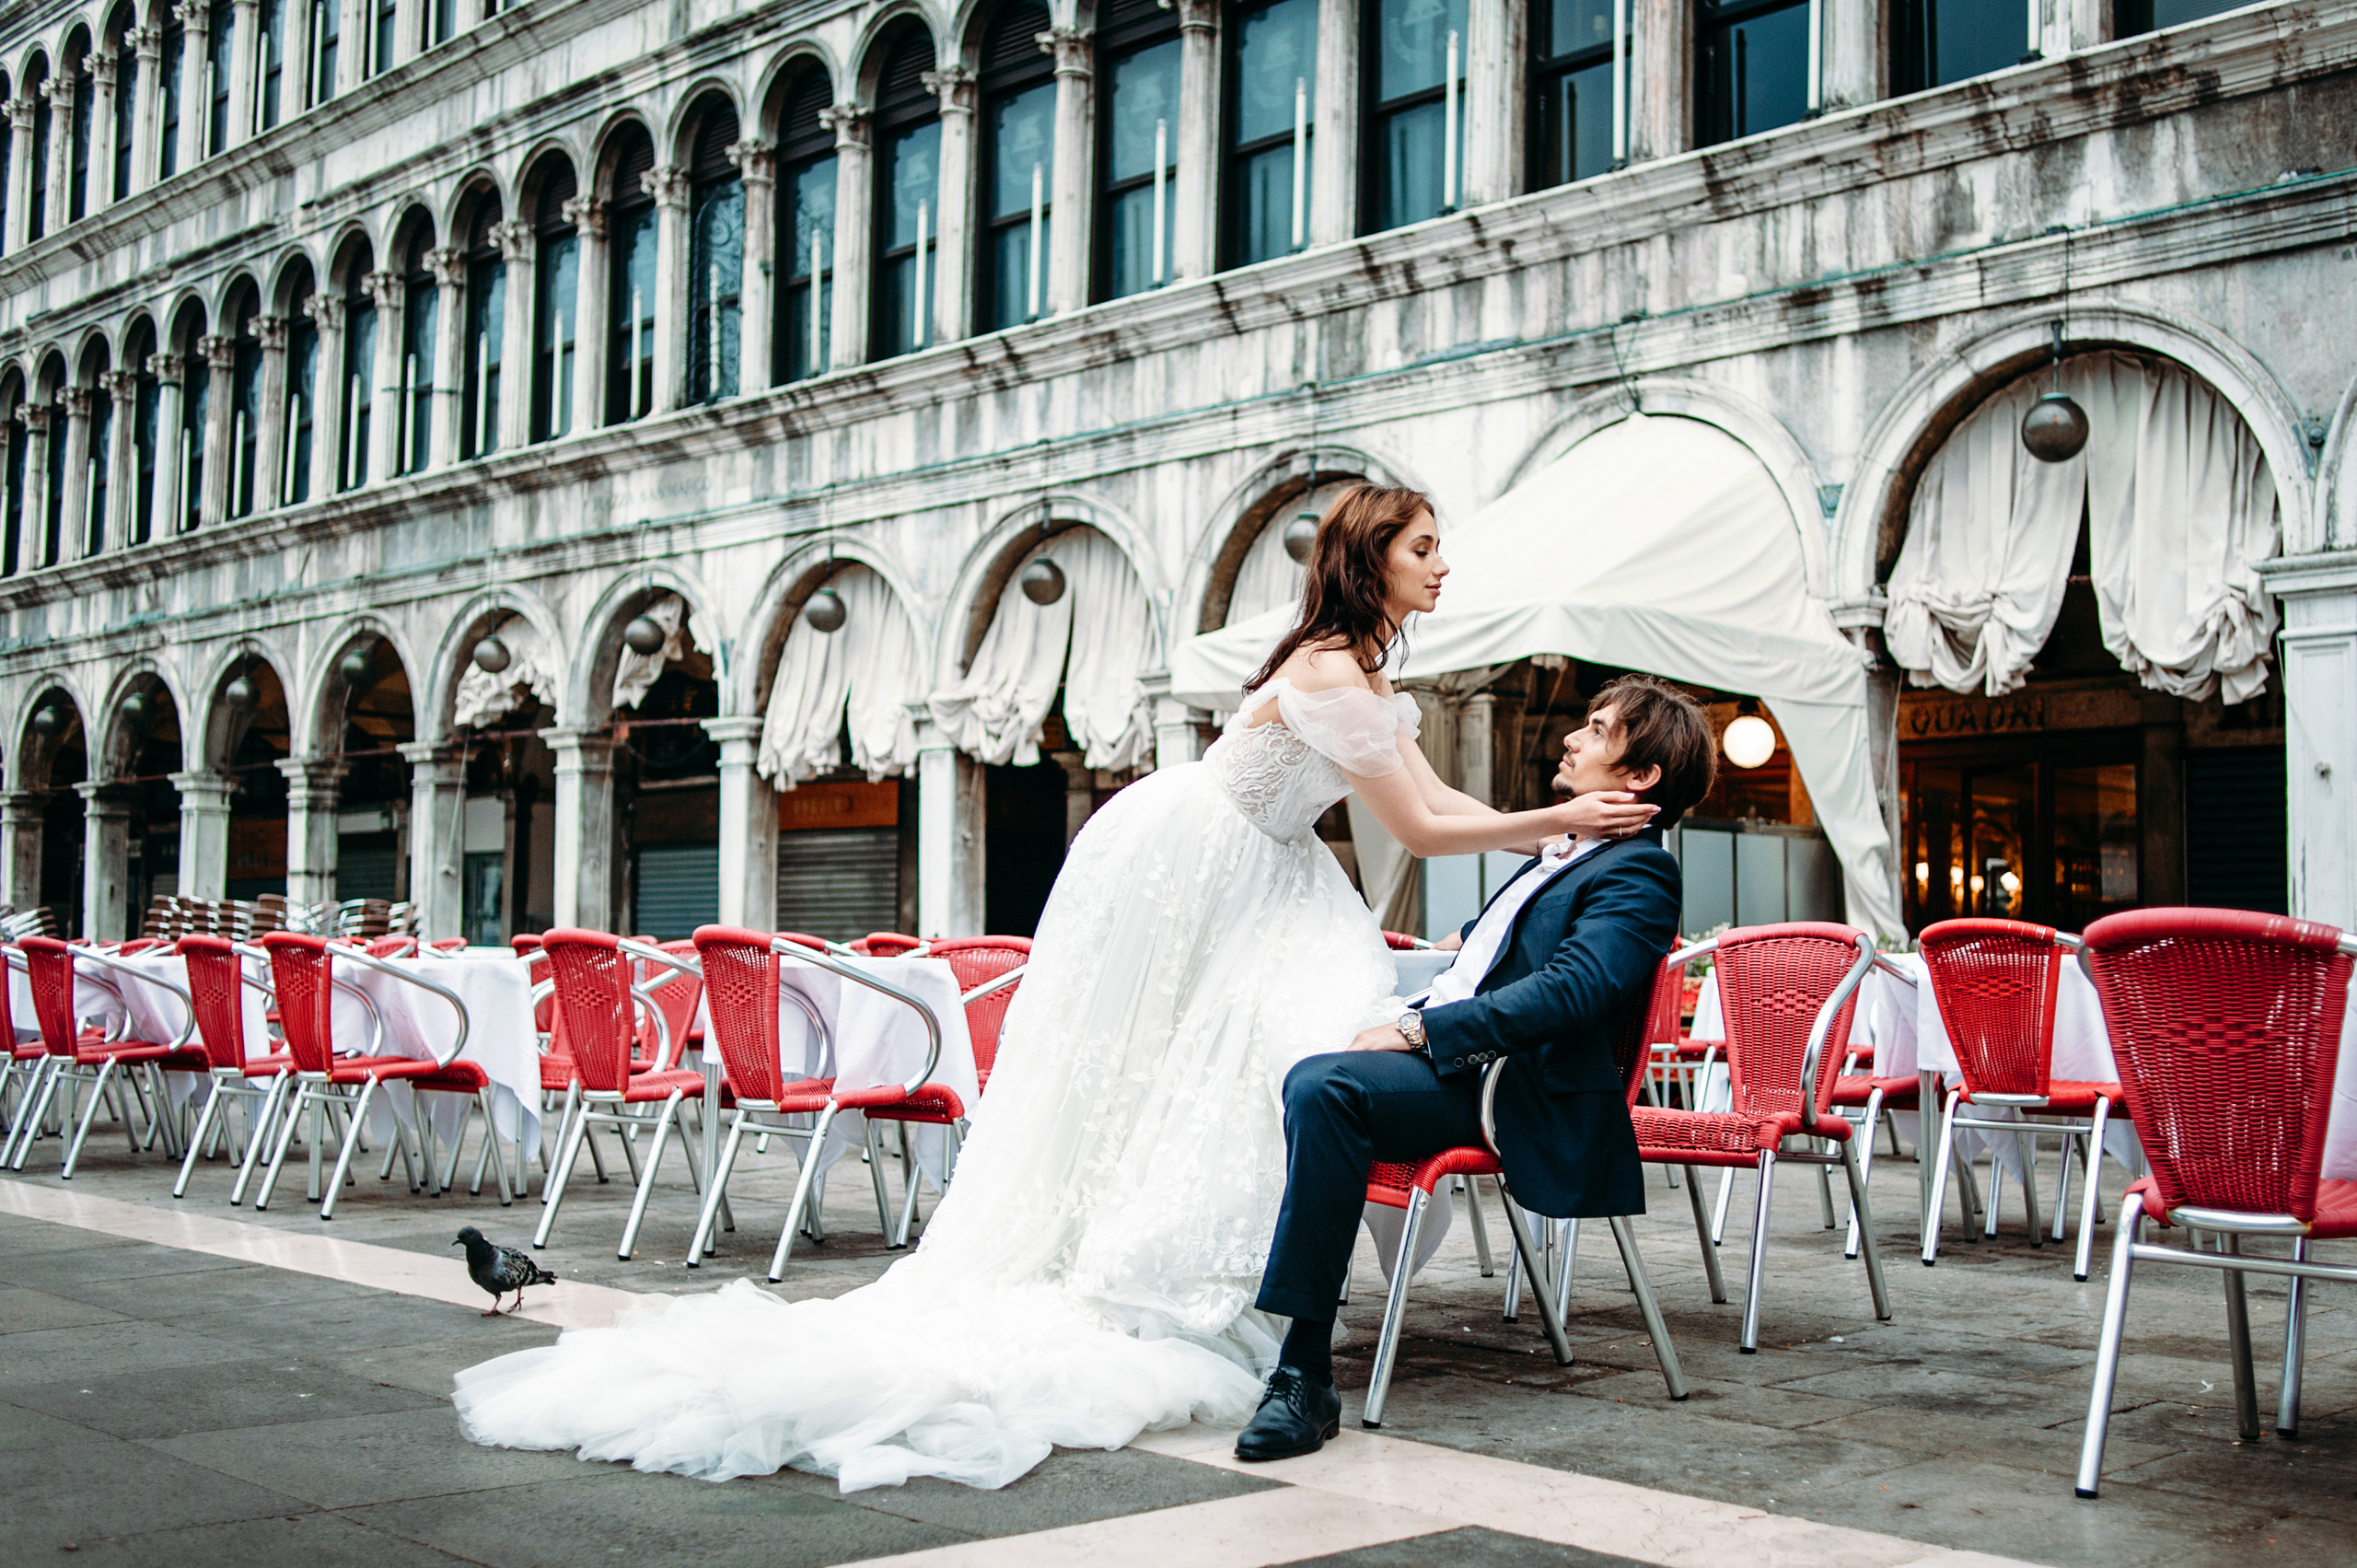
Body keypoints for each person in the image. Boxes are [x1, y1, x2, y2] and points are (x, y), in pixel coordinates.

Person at [451, 484, 1655, 1492]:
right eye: (1425, 547)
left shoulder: (1367, 678)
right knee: (1245, 1049)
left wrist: (1551, 829)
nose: (1444, 565)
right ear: (1370, 561)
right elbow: (1420, 827)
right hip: (1214, 851)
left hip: (1274, 867)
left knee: (1255, 1051)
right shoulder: (1330, 669)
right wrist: (1560, 817)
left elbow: (1438, 809)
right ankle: (1199, 1284)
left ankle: (1251, 1287)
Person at [1233, 672, 1718, 1461]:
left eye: (1596, 730)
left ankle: (1303, 1370)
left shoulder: (1640, 872)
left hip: (1502, 1089)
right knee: (1279, 1053)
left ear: (1641, 778)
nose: (1572, 736)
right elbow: (1520, 951)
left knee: (1324, 1086)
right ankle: (1245, 1312)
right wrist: (1466, 947)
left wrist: (1423, 1032)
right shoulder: (1567, 855)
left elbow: (1575, 990)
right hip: (1463, 1061)